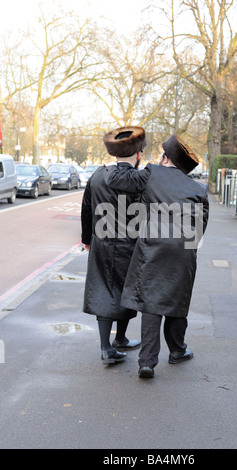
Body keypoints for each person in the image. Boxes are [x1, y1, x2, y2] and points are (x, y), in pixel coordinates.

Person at [105, 134, 209, 378]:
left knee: (151, 303)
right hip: (183, 249)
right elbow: (201, 225)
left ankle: (147, 362)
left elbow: (117, 180)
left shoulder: (151, 173)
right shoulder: (198, 188)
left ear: (165, 158)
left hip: (153, 245)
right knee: (177, 300)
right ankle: (177, 351)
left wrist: (114, 164)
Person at [81, 126, 147, 364]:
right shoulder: (140, 179)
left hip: (101, 242)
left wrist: (87, 239)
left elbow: (87, 208)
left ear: (115, 154)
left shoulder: (97, 175)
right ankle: (117, 341)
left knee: (104, 289)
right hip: (131, 244)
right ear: (138, 154)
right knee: (127, 291)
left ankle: (108, 345)